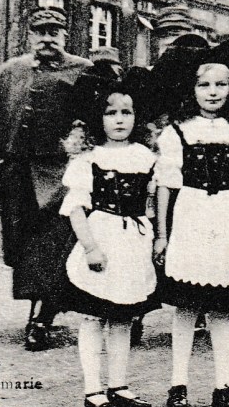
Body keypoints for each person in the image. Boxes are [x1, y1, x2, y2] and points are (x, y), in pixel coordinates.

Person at [153, 40, 229, 407]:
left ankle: (223, 384)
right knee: (186, 306)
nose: (213, 91)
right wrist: (162, 235)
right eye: (204, 84)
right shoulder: (178, 130)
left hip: (227, 216)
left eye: (221, 84)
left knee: (222, 306)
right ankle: (178, 385)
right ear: (192, 89)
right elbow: (166, 185)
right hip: (189, 216)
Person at [0, 6, 93, 350]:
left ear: (65, 36)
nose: (48, 38)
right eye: (41, 32)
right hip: (18, 176)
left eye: (55, 32)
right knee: (21, 246)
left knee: (53, 245)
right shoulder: (13, 71)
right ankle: (39, 308)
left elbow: (96, 117)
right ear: (31, 36)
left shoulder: (82, 70)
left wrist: (82, 136)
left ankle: (40, 318)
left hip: (59, 177)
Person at [60, 79, 157, 407]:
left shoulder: (145, 156)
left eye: (126, 112)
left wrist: (154, 233)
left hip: (133, 244)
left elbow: (153, 199)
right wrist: (90, 247)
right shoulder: (89, 159)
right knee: (92, 316)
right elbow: (75, 208)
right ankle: (92, 390)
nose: (119, 119)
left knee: (122, 317)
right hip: (102, 238)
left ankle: (118, 385)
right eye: (111, 112)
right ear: (96, 119)